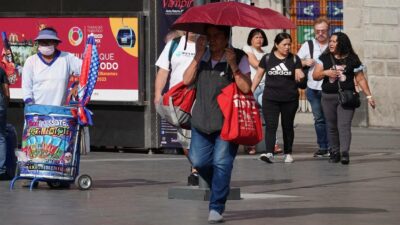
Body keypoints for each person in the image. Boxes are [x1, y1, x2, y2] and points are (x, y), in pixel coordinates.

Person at [183, 25, 251, 223]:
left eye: (216, 36)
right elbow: (186, 80)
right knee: (198, 161)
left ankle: (216, 207)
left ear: (226, 37)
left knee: (222, 163)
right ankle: (220, 186)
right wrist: (197, 56)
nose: (212, 40)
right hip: (201, 121)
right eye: (209, 36)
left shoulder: (238, 57)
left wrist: (234, 66)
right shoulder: (201, 56)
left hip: (227, 123)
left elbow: (246, 87)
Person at [313, 32, 375, 165]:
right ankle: (335, 152)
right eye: (331, 41)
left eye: (335, 41)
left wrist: (369, 96)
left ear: (342, 43)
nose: (331, 43)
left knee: (344, 125)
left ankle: (345, 153)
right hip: (328, 97)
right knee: (331, 126)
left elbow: (360, 79)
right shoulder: (324, 58)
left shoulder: (352, 58)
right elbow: (315, 75)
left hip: (347, 97)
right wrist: (325, 72)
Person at [251, 33, 304, 164]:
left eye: (289, 44)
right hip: (270, 98)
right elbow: (258, 76)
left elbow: (300, 78)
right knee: (271, 126)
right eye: (284, 45)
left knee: (287, 126)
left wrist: (301, 74)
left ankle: (288, 153)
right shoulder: (267, 58)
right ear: (276, 45)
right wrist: (250, 92)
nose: (287, 47)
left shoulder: (295, 59)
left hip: (290, 99)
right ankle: (269, 153)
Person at [154, 32, 198, 185]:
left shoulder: (207, 44)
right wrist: (158, 94)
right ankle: (196, 165)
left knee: (201, 134)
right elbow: (163, 70)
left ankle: (196, 170)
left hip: (201, 97)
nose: (193, 30)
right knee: (185, 141)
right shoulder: (174, 44)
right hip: (179, 100)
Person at [243, 28, 282, 155]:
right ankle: (250, 144)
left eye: (261, 37)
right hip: (253, 86)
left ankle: (274, 143)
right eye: (256, 37)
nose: (259, 39)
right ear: (251, 39)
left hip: (266, 87)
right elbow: (255, 64)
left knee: (269, 114)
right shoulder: (247, 49)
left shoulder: (267, 53)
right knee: (250, 116)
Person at [22, 27, 82, 106]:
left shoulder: (66, 58)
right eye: (42, 42)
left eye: (48, 42)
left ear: (56, 43)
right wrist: (31, 107)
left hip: (59, 113)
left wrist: (78, 85)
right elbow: (26, 89)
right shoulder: (31, 61)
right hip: (36, 112)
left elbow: (88, 69)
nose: (44, 44)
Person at [297, 17, 330, 157]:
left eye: (323, 30)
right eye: (318, 31)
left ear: (328, 30)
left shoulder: (334, 44)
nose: (320, 33)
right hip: (313, 88)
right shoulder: (308, 45)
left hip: (330, 89)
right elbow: (295, 61)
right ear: (314, 31)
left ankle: (333, 147)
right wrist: (304, 62)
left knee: (331, 119)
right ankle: (323, 147)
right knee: (319, 119)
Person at [0, 67, 10, 180]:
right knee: (1, 137)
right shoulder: (1, 70)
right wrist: (6, 104)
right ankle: (1, 170)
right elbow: (6, 91)